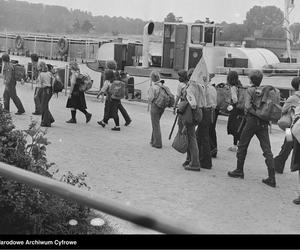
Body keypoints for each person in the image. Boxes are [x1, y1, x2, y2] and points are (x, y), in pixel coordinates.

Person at [227, 70, 276, 188]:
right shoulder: (267, 91)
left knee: (242, 145)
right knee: (267, 150)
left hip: (251, 121)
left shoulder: (250, 90)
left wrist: (255, 113)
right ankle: (272, 177)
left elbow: (247, 106)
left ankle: (239, 170)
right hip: (264, 123)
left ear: (251, 79)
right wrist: (262, 115)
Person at [274, 77, 300, 174]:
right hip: (296, 127)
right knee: (288, 145)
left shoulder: (292, 98)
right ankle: (278, 163)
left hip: (290, 127)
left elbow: (284, 110)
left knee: (288, 145)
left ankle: (278, 163)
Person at [182, 68, 201, 171]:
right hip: (197, 112)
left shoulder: (190, 87)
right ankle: (191, 160)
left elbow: (192, 103)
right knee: (192, 137)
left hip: (190, 112)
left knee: (192, 138)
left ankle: (194, 162)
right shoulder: (199, 86)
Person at [226, 71, 245, 152]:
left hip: (235, 109)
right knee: (239, 127)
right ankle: (240, 145)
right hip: (241, 109)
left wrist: (229, 101)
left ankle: (235, 145)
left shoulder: (233, 87)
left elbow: (235, 99)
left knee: (234, 127)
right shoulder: (240, 86)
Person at [148, 71, 165, 149]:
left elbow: (151, 98)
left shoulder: (153, 87)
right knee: (156, 123)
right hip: (162, 106)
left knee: (155, 124)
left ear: (152, 78)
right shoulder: (162, 85)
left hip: (155, 105)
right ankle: (153, 140)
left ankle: (157, 143)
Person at [36, 61, 55, 127]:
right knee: (45, 105)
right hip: (50, 90)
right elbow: (53, 81)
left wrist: (37, 93)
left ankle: (46, 122)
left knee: (44, 106)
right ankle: (48, 120)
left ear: (40, 67)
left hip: (44, 90)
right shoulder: (49, 73)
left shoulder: (41, 74)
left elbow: (39, 85)